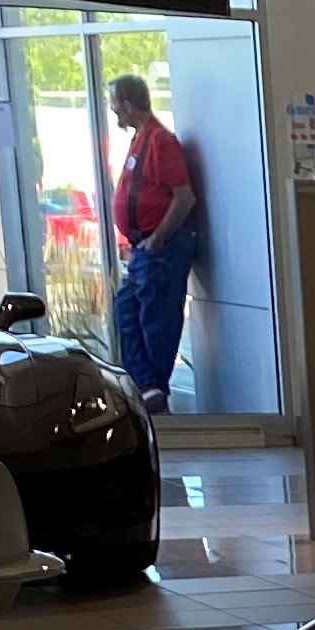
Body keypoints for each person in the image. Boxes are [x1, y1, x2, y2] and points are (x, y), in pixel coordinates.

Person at [105, 71, 196, 410]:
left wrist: (158, 237)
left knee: (156, 322)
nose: (112, 109)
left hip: (160, 248)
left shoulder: (160, 141)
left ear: (129, 104)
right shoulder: (140, 138)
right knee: (125, 311)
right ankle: (146, 386)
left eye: (114, 103)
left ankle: (155, 393)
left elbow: (184, 197)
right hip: (144, 248)